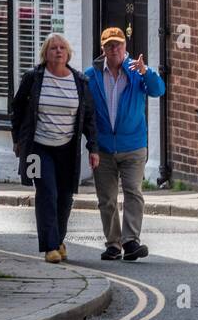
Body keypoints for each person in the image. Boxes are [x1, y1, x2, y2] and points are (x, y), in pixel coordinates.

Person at [10, 33, 98, 263]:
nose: (58, 51)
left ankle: (59, 239)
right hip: (38, 148)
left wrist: (93, 148)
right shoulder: (33, 78)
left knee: (65, 196)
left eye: (62, 48)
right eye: (53, 48)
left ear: (68, 53)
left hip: (67, 149)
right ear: (45, 54)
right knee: (47, 192)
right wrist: (17, 139)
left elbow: (88, 118)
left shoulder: (79, 81)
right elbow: (17, 109)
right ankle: (50, 247)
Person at [84, 27, 166, 261]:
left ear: (125, 47)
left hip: (133, 145)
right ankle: (113, 243)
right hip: (104, 148)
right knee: (107, 198)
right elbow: (86, 112)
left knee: (133, 191)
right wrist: (93, 145)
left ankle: (131, 242)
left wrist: (146, 71)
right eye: (110, 45)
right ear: (103, 50)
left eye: (118, 44)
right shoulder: (91, 76)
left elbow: (158, 90)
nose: (115, 49)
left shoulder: (136, 71)